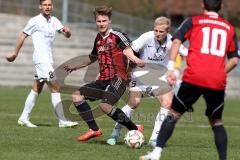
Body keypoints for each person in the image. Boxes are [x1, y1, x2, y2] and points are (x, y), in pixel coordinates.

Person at [139, 0, 239, 160]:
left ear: (202, 5)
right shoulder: (229, 27)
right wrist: (220, 72)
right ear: (221, 7)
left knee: (173, 113)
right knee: (217, 121)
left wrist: (171, 67)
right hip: (216, 80)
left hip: (194, 76)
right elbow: (234, 60)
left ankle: (156, 154)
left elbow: (176, 41)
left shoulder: (193, 21)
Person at [64, 5, 144, 141]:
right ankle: (94, 129)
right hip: (103, 79)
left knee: (105, 106)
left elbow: (129, 50)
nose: (101, 24)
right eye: (99, 21)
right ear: (96, 22)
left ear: (109, 21)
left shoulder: (118, 36)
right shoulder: (98, 39)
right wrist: (75, 66)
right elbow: (92, 57)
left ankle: (134, 129)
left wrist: (135, 61)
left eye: (104, 21)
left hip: (118, 78)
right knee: (77, 96)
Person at [106, 16, 188, 146]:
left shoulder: (173, 41)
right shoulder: (147, 37)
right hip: (140, 74)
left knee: (167, 103)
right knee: (134, 102)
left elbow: (187, 53)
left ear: (167, 32)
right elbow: (127, 50)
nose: (157, 34)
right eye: (156, 30)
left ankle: (154, 138)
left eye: (161, 32)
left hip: (160, 76)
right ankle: (115, 133)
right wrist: (136, 61)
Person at [6, 0, 78, 128]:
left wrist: (68, 32)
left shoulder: (54, 20)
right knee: (55, 86)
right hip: (41, 59)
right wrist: (15, 54)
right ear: (40, 7)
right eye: (45, 5)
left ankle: (23, 118)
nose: (47, 7)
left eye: (49, 5)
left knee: (36, 89)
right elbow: (22, 36)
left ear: (52, 6)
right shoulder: (35, 21)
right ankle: (62, 120)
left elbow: (66, 34)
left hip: (48, 60)